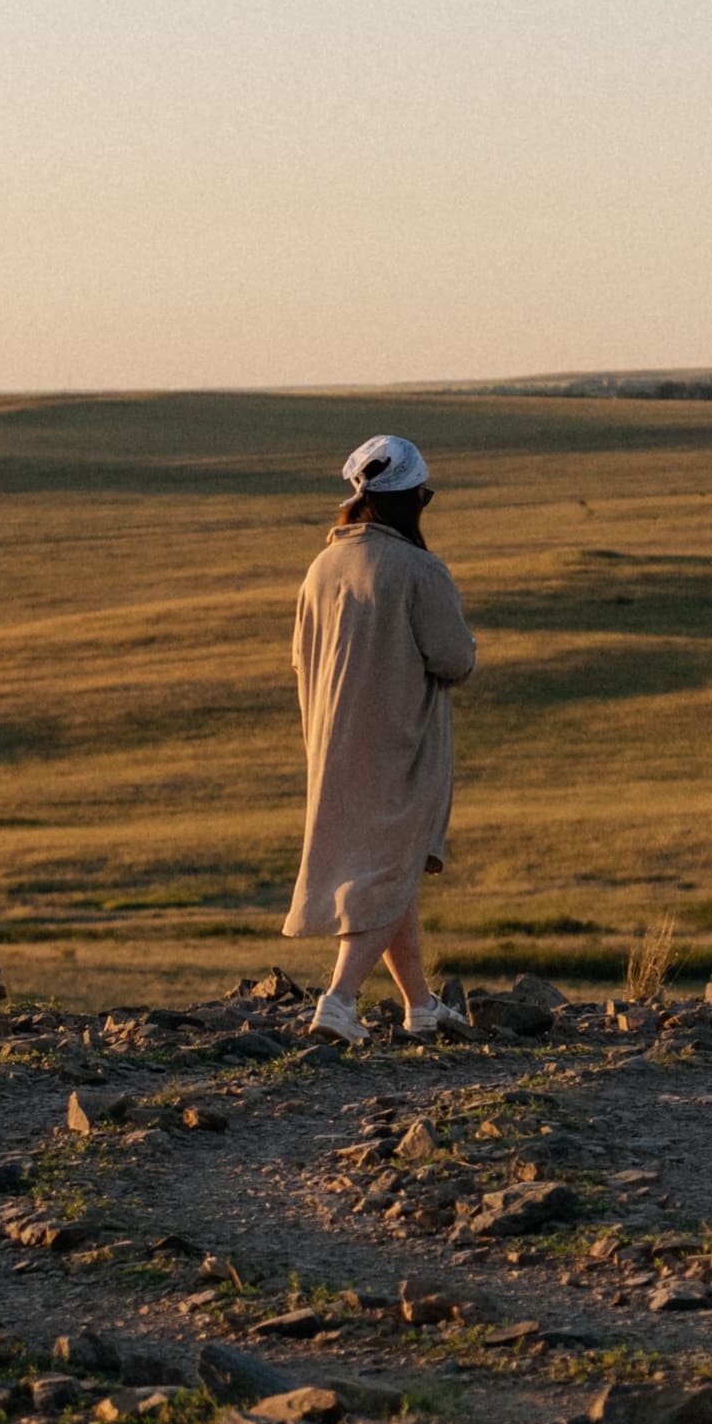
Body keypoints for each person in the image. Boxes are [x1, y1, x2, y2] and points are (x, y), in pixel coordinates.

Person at [282, 432, 477, 1042]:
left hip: (331, 741)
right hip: (400, 745)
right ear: (407, 500)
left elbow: (300, 659)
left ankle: (421, 1005)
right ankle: (339, 1002)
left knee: (389, 870)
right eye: (424, 495)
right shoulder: (418, 570)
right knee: (387, 872)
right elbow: (454, 659)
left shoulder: (321, 567)